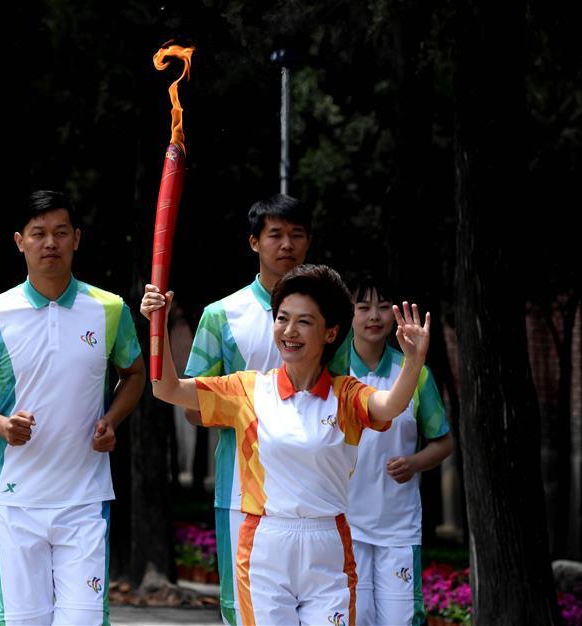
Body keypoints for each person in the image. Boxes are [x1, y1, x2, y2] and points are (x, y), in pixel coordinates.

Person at [141, 264, 431, 626]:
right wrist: (159, 326)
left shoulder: (346, 395)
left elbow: (389, 405)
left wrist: (413, 362)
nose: (289, 331)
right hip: (265, 545)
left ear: (330, 333)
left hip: (329, 546)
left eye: (304, 322)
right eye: (282, 318)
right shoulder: (247, 389)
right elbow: (166, 389)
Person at [0, 190, 145, 626]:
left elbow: (134, 375)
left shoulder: (110, 309)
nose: (50, 243)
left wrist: (111, 419)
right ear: (20, 241)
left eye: (60, 232)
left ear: (76, 238)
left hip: (85, 499)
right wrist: (1, 425)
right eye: (38, 234)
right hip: (17, 500)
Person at [183, 193, 311, 625]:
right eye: (275, 234)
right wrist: (249, 412)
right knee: (245, 613)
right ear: (255, 243)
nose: (287, 244)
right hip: (242, 491)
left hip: (314, 493)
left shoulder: (330, 315)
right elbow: (192, 407)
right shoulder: (222, 315)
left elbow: (340, 396)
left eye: (296, 235)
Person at [329, 274, 453, 626]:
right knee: (357, 618)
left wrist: (414, 462)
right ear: (348, 313)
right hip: (344, 524)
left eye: (384, 307)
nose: (374, 316)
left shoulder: (415, 373)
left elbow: (443, 443)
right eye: (363, 306)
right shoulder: (330, 371)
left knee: (400, 620)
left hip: (398, 526)